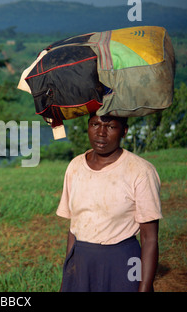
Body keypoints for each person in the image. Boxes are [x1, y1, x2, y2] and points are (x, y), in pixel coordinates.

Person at [56, 113, 162, 292]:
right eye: (95, 124)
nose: (101, 133)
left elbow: (149, 238)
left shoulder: (140, 171)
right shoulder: (75, 167)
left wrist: (144, 287)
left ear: (124, 131)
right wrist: (69, 275)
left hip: (123, 260)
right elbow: (74, 227)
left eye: (111, 127)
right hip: (82, 260)